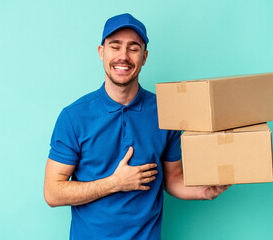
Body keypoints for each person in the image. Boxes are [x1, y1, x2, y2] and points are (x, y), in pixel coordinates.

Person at [44, 13, 230, 240]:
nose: (123, 56)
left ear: (144, 57)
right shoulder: (73, 117)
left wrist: (204, 191)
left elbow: (172, 179)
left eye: (133, 48)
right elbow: (53, 192)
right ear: (101, 52)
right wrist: (115, 183)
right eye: (115, 46)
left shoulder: (166, 112)